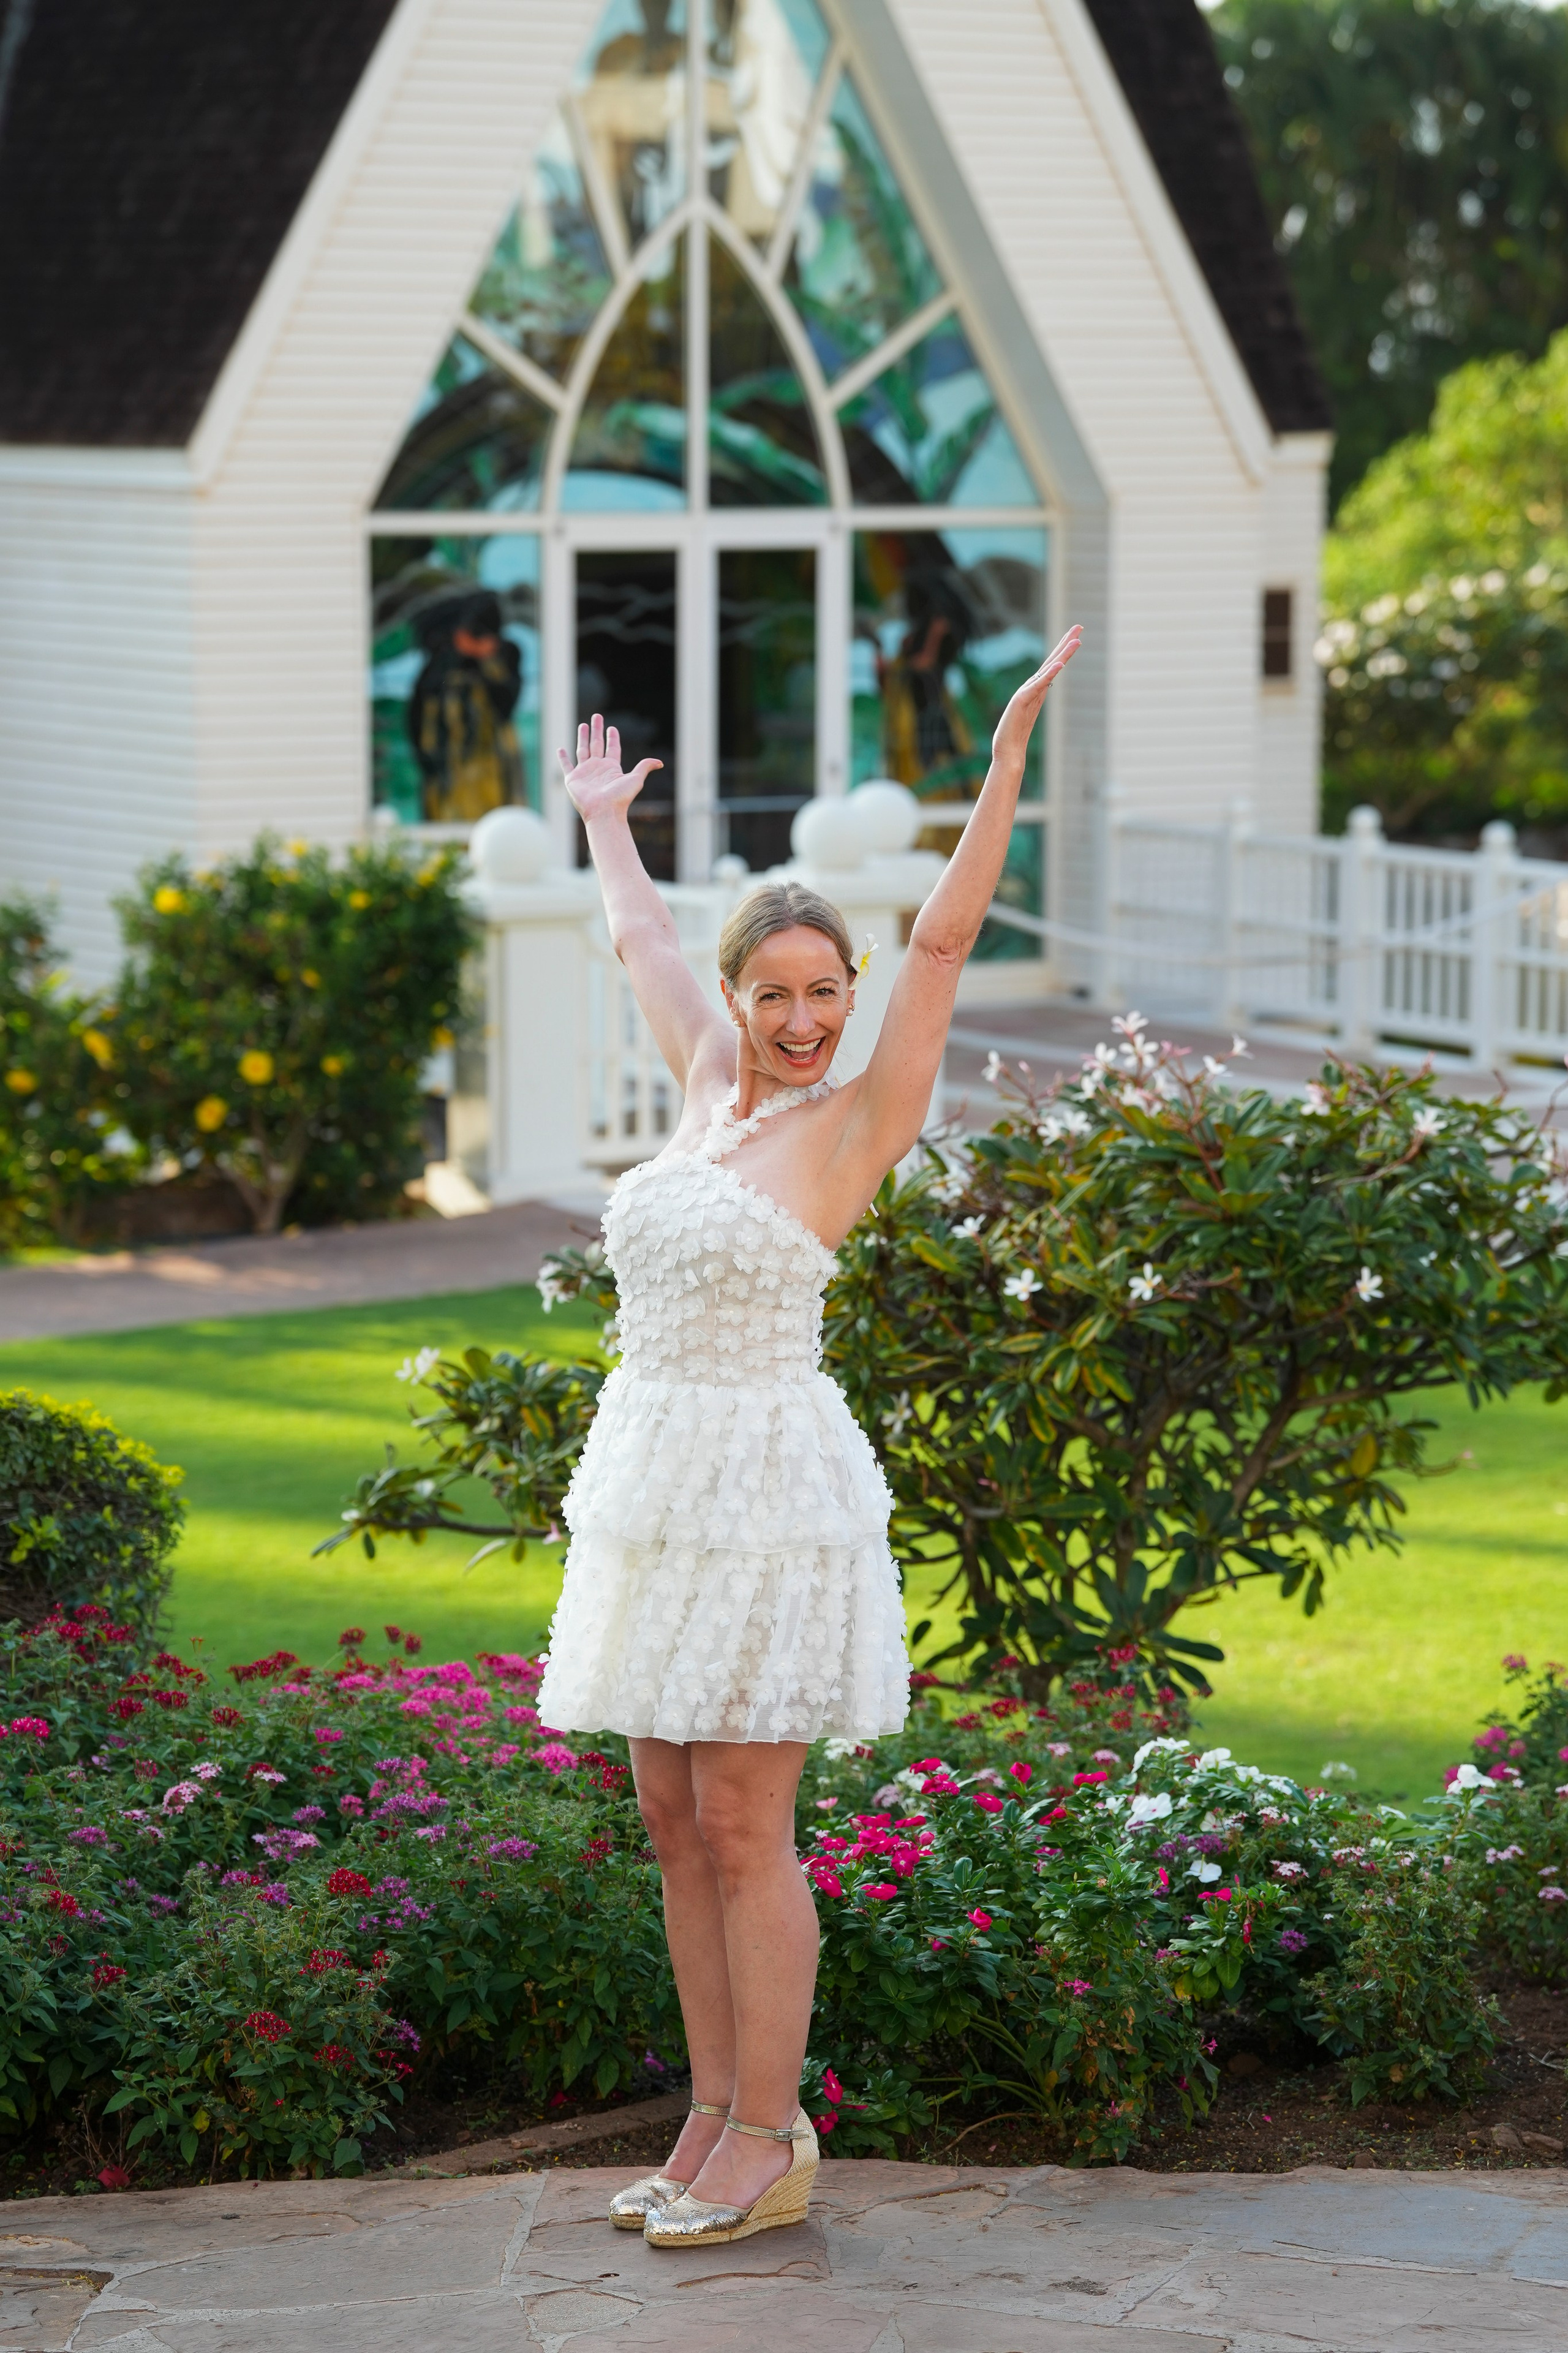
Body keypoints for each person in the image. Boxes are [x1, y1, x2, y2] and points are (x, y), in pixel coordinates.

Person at [534, 621, 1082, 2249]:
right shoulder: (706, 1079)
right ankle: (709, 2120)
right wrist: (606, 825)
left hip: (770, 1492)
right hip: (656, 1485)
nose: (798, 1019)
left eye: (823, 992)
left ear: (848, 995)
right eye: (772, 992)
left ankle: (772, 2137)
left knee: (740, 1821)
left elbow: (946, 938)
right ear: (737, 998)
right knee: (667, 1815)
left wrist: (1000, 766)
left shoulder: (859, 1118)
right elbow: (641, 937)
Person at [407, 591, 525, 823]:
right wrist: (428, 764)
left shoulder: (506, 655)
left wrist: (485, 659)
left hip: (494, 768)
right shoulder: (442, 662)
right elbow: (418, 714)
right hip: (448, 771)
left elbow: (506, 706)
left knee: (498, 822)